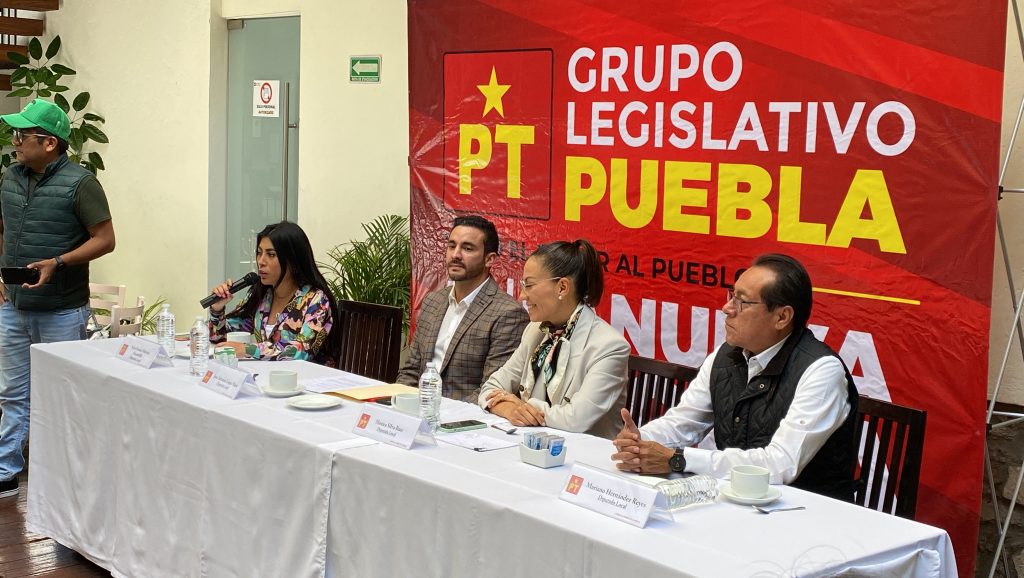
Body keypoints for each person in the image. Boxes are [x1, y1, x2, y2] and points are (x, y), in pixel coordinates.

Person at [611, 254, 858, 501]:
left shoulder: (822, 371)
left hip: (807, 511)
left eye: (742, 302)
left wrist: (679, 459)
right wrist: (639, 440)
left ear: (782, 317)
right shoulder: (726, 355)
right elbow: (683, 422)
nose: (727, 308)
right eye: (731, 295)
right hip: (734, 500)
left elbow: (780, 464)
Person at [0, 99, 116, 498]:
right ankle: (5, 471)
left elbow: (106, 240)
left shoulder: (81, 184)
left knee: (64, 396)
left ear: (49, 143)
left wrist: (58, 262)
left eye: (22, 134)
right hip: (13, 308)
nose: (15, 141)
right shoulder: (10, 177)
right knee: (12, 394)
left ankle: (66, 477)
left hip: (62, 311)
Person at [478, 239, 629, 439]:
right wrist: (510, 409)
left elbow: (576, 419)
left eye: (529, 285)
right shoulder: (535, 330)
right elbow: (490, 388)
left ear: (562, 288)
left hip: (582, 453)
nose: (522, 296)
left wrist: (522, 406)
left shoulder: (609, 346)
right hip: (534, 443)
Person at [396, 215, 529, 402]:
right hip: (418, 409)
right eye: (452, 246)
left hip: (464, 416)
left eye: (467, 248)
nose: (455, 255)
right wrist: (401, 404)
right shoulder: (433, 301)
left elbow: (491, 390)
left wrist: (441, 414)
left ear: (489, 259)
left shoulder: (508, 314)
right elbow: (411, 371)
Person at [208, 221, 338, 365]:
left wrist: (247, 349)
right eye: (259, 253)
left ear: (293, 260)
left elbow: (302, 351)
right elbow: (220, 338)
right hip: (266, 374)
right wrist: (217, 309)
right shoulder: (261, 295)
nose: (261, 261)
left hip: (308, 377)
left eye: (271, 254)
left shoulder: (316, 300)